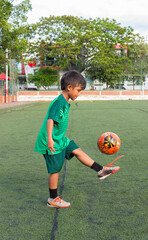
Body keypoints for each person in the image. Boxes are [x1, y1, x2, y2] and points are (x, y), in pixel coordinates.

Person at [34, 70, 120, 208]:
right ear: (69, 87)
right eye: (78, 90)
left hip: (59, 139)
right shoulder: (59, 102)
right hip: (51, 142)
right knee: (55, 170)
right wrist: (50, 139)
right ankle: (53, 199)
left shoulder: (65, 101)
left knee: (77, 150)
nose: (79, 94)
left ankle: (100, 170)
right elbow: (50, 120)